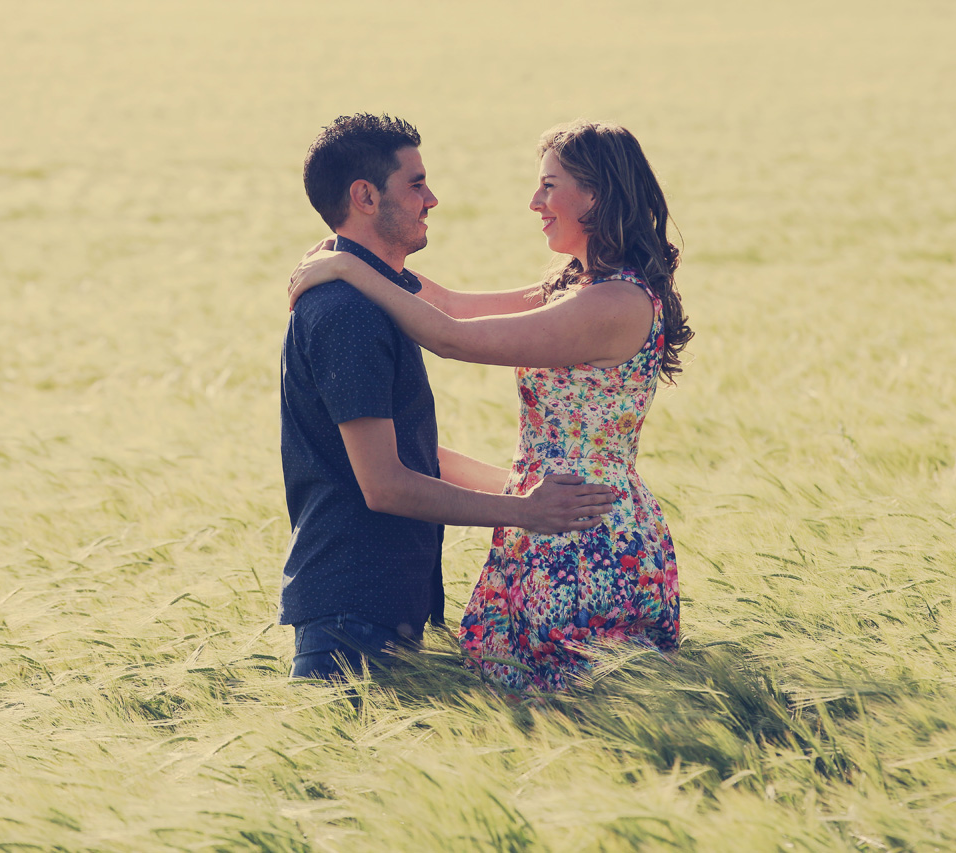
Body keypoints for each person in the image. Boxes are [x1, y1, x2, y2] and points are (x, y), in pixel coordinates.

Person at [289, 120, 692, 691]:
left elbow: (453, 337)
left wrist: (349, 268)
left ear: (596, 193)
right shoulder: (573, 289)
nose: (535, 203)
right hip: (541, 514)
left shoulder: (616, 303)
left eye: (549, 186)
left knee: (586, 705)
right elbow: (448, 302)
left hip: (584, 532)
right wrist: (348, 250)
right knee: (536, 702)